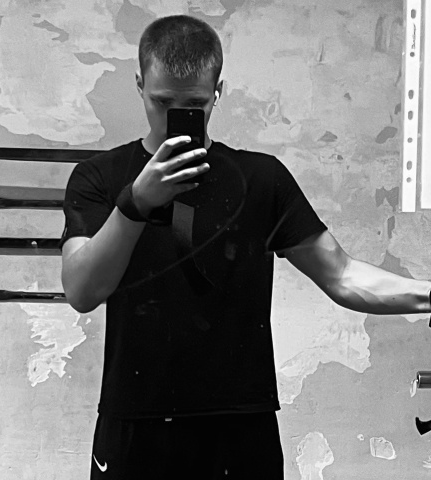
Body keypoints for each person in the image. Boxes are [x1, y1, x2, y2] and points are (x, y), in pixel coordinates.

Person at [59, 14, 431, 480]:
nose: (176, 116)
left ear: (218, 92)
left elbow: (341, 275)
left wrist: (428, 294)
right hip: (136, 421)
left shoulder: (261, 178)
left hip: (239, 427)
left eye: (194, 104)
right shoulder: (99, 176)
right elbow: (82, 291)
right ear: (139, 85)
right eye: (162, 102)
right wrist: (136, 203)